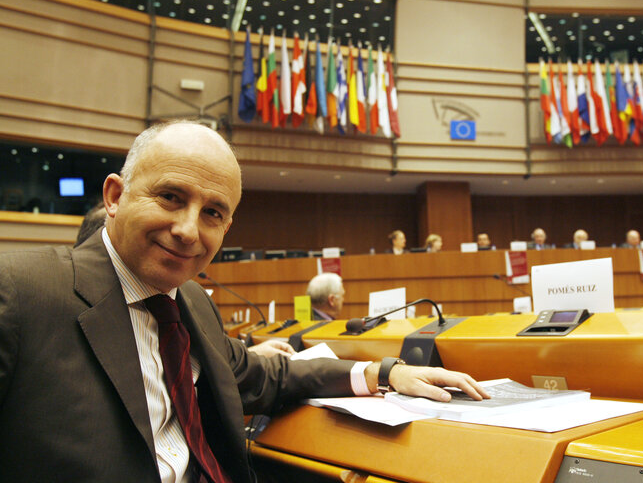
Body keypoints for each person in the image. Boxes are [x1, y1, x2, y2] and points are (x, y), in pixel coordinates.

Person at [0, 121, 489, 482]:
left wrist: (385, 373)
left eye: (212, 212)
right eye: (170, 197)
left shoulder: (189, 301)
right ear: (115, 195)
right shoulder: (20, 292)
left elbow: (261, 376)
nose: (189, 230)